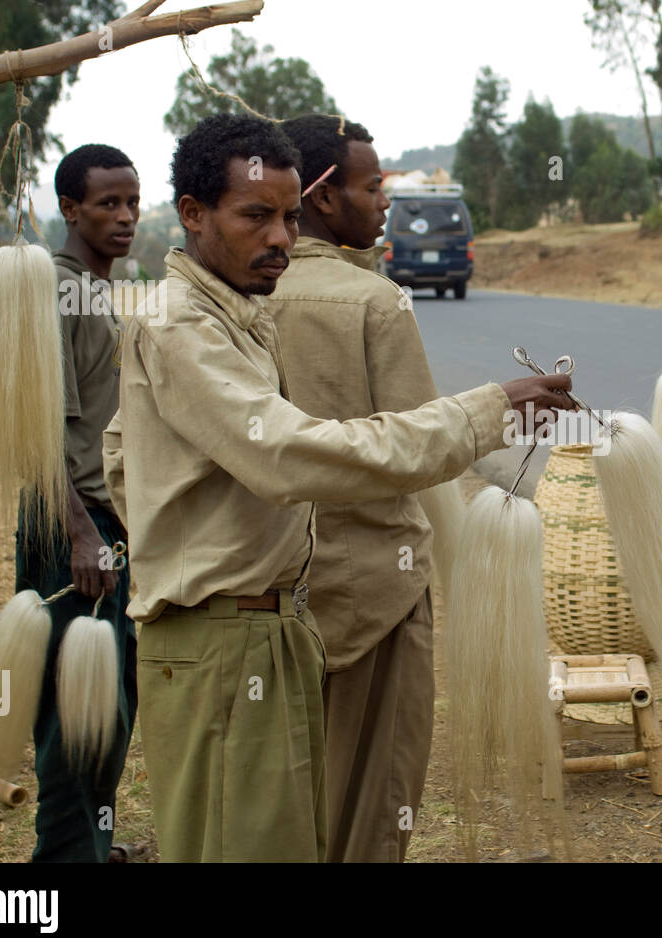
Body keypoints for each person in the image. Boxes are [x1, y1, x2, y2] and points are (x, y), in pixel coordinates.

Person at [100, 113, 574, 863]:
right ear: (192, 213)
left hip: (268, 629)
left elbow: (121, 459)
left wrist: (183, 538)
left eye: (288, 217)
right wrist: (486, 411)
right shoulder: (181, 326)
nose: (281, 237)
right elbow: (290, 456)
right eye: (256, 216)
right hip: (224, 640)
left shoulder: (240, 315)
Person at [269, 114, 441, 862]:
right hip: (378, 590)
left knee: (288, 790)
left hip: (273, 596)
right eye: (372, 187)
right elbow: (418, 450)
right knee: (375, 800)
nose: (384, 205)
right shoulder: (374, 301)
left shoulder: (229, 298)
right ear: (324, 196)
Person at [15, 144, 141, 863]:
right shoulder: (52, 291)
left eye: (132, 202)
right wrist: (78, 532)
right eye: (107, 204)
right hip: (72, 529)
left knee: (109, 707)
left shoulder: (96, 292)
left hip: (106, 526)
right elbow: (37, 428)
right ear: (69, 208)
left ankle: (91, 843)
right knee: (73, 714)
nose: (124, 218)